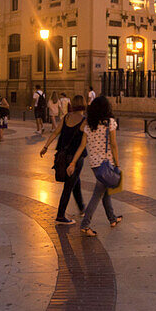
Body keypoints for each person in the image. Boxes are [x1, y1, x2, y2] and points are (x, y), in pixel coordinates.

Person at [68, 96, 122, 236]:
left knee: (104, 191)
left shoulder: (89, 125)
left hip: (94, 164)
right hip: (107, 163)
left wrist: (73, 162)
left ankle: (112, 218)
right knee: (98, 194)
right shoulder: (110, 123)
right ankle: (85, 225)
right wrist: (117, 163)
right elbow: (114, 145)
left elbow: (82, 146)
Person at [41, 95, 87, 224]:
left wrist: (45, 146)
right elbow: (84, 143)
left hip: (62, 155)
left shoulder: (66, 117)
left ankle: (82, 207)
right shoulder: (84, 121)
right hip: (76, 158)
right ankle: (60, 215)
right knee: (69, 186)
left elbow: (55, 133)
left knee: (75, 181)